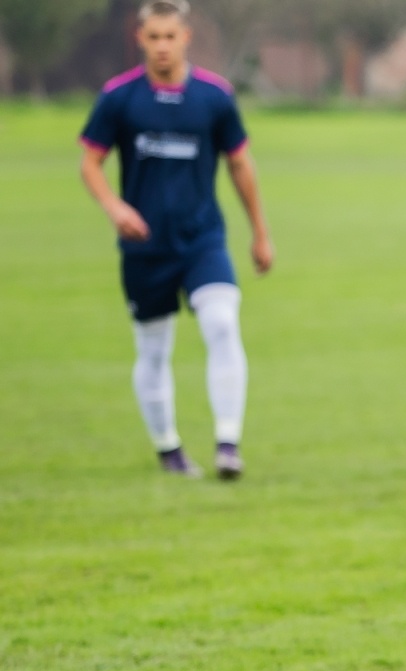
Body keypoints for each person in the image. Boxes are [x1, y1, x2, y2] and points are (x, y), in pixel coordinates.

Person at [79, 0, 273, 479]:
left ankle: (228, 444)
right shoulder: (119, 98)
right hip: (146, 248)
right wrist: (114, 207)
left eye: (171, 36)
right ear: (139, 38)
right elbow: (90, 161)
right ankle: (169, 449)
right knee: (153, 349)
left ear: (186, 37)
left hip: (202, 239)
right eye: (154, 37)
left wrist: (260, 234)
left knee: (223, 325)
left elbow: (241, 164)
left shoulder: (215, 97)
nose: (163, 46)